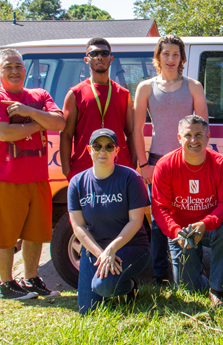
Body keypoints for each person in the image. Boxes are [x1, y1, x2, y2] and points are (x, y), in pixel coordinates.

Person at [0, 48, 65, 300]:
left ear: (25, 70)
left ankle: (31, 279)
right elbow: (3, 133)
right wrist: (41, 122)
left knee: (35, 232)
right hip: (4, 177)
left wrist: (28, 112)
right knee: (5, 234)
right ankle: (6, 284)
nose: (14, 71)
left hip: (37, 177)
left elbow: (59, 123)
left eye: (18, 66)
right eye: (8, 67)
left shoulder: (39, 95)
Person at [133, 35, 209, 284]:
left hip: (188, 163)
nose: (170, 59)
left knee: (189, 215)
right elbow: (136, 129)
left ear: (182, 58)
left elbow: (203, 128)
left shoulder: (193, 86)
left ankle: (190, 271)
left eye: (175, 54)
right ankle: (160, 276)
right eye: (165, 53)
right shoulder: (145, 87)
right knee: (158, 221)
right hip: (156, 162)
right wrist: (143, 164)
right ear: (158, 57)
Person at [151, 115, 223, 307]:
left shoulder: (222, 164)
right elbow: (159, 208)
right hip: (181, 231)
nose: (193, 140)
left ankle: (218, 289)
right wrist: (175, 232)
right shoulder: (165, 165)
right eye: (188, 135)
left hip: (210, 227)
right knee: (188, 290)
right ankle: (201, 280)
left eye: (199, 134)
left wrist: (205, 224)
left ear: (208, 137)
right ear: (179, 138)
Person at [67, 129, 150, 314]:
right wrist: (101, 254)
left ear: (116, 151)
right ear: (89, 150)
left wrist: (111, 250)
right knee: (87, 311)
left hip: (130, 247)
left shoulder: (131, 178)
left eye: (108, 146)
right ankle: (114, 282)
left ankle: (128, 287)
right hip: (96, 250)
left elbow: (136, 221)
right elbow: (78, 226)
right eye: (97, 146)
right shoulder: (77, 183)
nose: (102, 151)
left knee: (104, 287)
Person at [60, 37, 136, 181]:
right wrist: (67, 171)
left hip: (119, 169)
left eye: (104, 53)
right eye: (94, 54)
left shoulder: (123, 93)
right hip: (84, 170)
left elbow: (131, 133)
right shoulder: (75, 93)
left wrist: (133, 165)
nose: (99, 57)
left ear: (111, 58)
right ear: (86, 59)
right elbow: (66, 135)